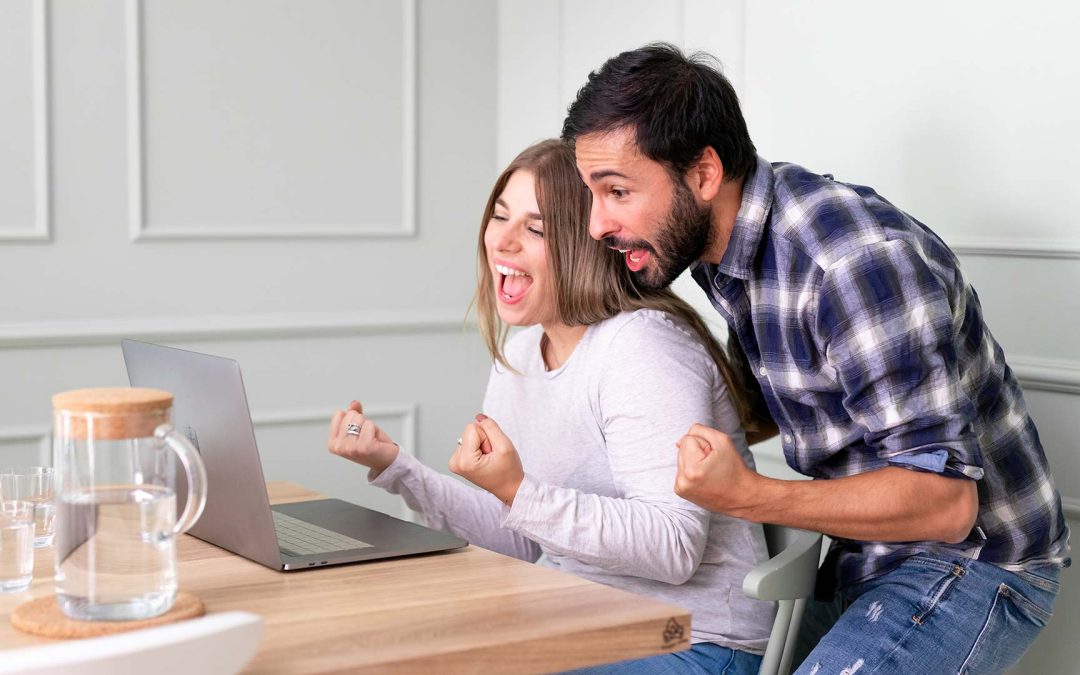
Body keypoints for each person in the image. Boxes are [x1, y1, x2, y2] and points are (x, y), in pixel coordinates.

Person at [560, 42, 1071, 674]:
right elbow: (779, 406)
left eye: (616, 191)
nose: (595, 224)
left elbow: (946, 504)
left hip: (976, 564)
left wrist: (746, 495)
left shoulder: (850, 263)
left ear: (703, 174)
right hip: (864, 560)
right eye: (592, 192)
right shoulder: (724, 254)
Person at [326, 139, 775, 673]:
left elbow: (672, 547)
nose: (502, 242)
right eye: (499, 217)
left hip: (692, 639)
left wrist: (518, 490)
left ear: (584, 243)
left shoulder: (644, 348)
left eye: (535, 229)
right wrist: (394, 465)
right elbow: (517, 537)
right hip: (578, 620)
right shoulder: (520, 355)